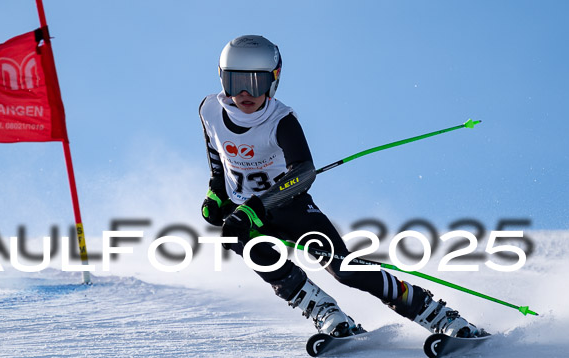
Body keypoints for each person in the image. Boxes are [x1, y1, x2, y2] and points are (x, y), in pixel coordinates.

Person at [198, 35, 482, 338]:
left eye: (255, 83)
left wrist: (255, 208)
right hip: (247, 213)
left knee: (346, 269)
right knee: (246, 244)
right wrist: (216, 190)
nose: (244, 93)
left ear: (274, 80)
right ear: (221, 78)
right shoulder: (209, 110)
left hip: (289, 207)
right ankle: (325, 311)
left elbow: (304, 173)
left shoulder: (281, 121)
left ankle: (435, 313)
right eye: (235, 81)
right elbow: (217, 151)